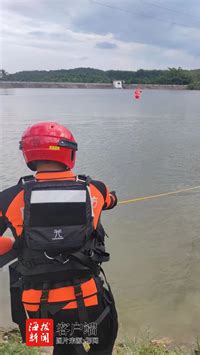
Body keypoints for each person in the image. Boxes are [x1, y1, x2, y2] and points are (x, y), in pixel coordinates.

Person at [0, 122, 118, 354]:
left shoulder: (8, 198)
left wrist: (15, 246)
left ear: (28, 154)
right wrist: (110, 198)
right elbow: (111, 200)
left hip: (36, 307)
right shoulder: (95, 189)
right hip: (88, 300)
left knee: (62, 343)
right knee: (104, 333)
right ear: (69, 153)